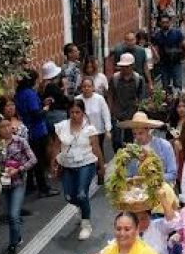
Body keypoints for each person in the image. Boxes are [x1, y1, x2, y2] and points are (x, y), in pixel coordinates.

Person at [51, 101, 106, 241]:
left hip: (86, 163)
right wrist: (53, 163)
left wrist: (101, 166)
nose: (75, 115)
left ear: (83, 113)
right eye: (72, 112)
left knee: (82, 194)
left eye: (78, 112)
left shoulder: (90, 129)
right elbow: (56, 146)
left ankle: (86, 224)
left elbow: (96, 148)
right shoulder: (61, 127)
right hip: (67, 164)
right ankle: (82, 208)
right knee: (69, 196)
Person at [0, 117, 36, 254]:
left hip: (18, 182)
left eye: (8, 125)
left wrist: (19, 169)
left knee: (13, 215)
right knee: (10, 215)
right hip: (3, 184)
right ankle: (17, 236)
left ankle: (12, 246)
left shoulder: (20, 141)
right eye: (3, 127)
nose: (7, 129)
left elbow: (33, 159)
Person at [14, 70, 54, 196]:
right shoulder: (29, 93)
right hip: (36, 130)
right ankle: (43, 188)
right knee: (39, 160)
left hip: (26, 130)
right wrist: (45, 109)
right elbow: (35, 113)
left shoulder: (18, 94)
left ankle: (30, 185)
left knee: (30, 159)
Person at [106, 54, 147, 150]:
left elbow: (141, 97)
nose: (124, 69)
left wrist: (139, 112)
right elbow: (110, 95)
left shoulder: (139, 79)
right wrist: (110, 111)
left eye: (127, 66)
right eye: (122, 66)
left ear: (132, 66)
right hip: (117, 113)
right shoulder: (114, 78)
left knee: (130, 140)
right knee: (116, 140)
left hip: (131, 113)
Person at [75, 78, 113, 160]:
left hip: (98, 131)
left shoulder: (99, 99)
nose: (86, 88)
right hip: (83, 132)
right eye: (84, 86)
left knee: (98, 152)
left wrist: (108, 129)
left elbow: (106, 114)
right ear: (81, 88)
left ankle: (100, 166)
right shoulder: (77, 99)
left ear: (93, 87)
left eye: (89, 86)